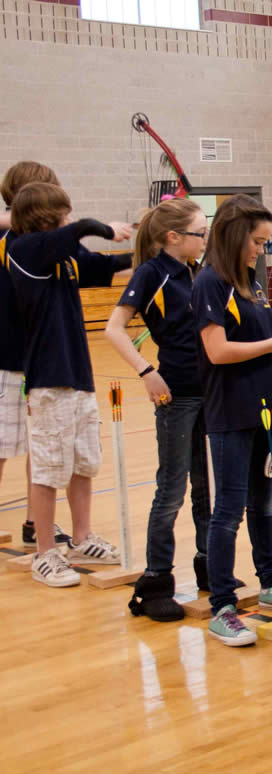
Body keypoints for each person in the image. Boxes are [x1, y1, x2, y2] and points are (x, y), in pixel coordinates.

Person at [191, 194, 272, 645]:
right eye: (256, 241)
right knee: (229, 510)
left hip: (265, 410)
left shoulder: (251, 283)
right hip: (229, 413)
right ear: (235, 236)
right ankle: (222, 604)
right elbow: (218, 351)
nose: (260, 250)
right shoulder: (209, 283)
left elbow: (266, 341)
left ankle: (269, 583)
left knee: (263, 503)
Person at [106, 198, 233, 620]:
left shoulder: (199, 273)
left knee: (204, 489)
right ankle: (157, 580)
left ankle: (209, 568)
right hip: (175, 395)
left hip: (208, 391)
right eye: (200, 233)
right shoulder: (152, 274)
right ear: (173, 238)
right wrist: (146, 371)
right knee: (171, 489)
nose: (206, 240)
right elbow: (114, 328)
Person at [6, 182, 134, 586]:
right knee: (48, 468)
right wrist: (103, 227)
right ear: (47, 216)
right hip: (48, 378)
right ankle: (46, 552)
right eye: (63, 211)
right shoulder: (24, 250)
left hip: (79, 373)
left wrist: (146, 254)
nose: (68, 216)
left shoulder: (62, 256)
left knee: (83, 460)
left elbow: (101, 265)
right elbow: (73, 233)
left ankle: (82, 537)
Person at [0, 162, 78, 552]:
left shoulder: (41, 243)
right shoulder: (10, 235)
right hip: (7, 356)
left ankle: (35, 522)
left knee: (40, 445)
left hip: (38, 357)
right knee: (0, 445)